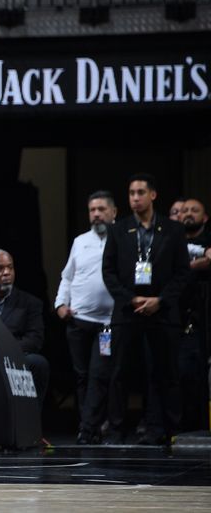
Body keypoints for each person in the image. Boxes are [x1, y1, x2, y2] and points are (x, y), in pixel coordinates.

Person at [101, 173, 190, 445]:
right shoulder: (118, 229)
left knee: (164, 372)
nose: (135, 198)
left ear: (153, 195)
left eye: (140, 192)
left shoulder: (173, 230)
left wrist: (160, 300)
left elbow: (182, 273)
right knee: (120, 373)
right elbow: (109, 272)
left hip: (162, 312)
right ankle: (116, 430)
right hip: (128, 311)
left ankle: (166, 429)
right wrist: (131, 299)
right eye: (131, 193)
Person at [54, 191, 117, 444]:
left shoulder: (121, 239)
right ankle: (87, 424)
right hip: (79, 320)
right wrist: (60, 303)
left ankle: (93, 425)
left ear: (114, 212)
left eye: (102, 209)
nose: (96, 214)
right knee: (82, 375)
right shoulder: (80, 241)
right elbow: (67, 276)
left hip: (109, 323)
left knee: (100, 373)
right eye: (92, 210)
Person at [0, 249, 49, 409]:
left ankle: (31, 426)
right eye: (0, 268)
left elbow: (34, 340)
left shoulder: (30, 303)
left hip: (14, 358)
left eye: (10, 268)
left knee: (38, 363)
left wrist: (5, 350)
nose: (6, 273)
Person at [178, 198, 211, 431]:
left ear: (205, 217)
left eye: (194, 210)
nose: (189, 214)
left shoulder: (207, 239)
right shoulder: (171, 239)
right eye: (185, 210)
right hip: (178, 314)